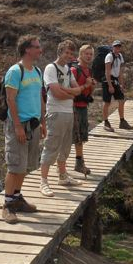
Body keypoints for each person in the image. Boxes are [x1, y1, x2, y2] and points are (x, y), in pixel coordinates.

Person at [2, 35, 46, 224]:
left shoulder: (37, 71)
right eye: (37, 46)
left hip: (34, 124)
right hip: (18, 125)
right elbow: (10, 99)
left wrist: (43, 122)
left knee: (24, 165)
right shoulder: (15, 71)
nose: (40, 50)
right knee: (15, 166)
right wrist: (18, 126)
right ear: (27, 49)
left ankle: (17, 199)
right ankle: (7, 205)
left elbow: (40, 98)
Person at [40, 40, 92, 197]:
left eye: (71, 53)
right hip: (55, 112)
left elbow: (77, 92)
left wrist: (68, 90)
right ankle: (44, 181)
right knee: (51, 146)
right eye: (66, 52)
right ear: (59, 52)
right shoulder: (51, 68)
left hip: (69, 112)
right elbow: (56, 93)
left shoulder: (68, 69)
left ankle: (62, 176)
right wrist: (71, 91)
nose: (69, 56)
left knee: (65, 146)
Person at [71, 44, 96, 176]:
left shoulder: (89, 71)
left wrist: (91, 87)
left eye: (91, 54)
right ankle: (64, 165)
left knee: (81, 135)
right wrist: (86, 85)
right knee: (73, 136)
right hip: (73, 107)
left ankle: (79, 163)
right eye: (86, 53)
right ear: (80, 55)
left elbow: (89, 93)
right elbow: (70, 91)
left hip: (83, 106)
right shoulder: (74, 70)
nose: (88, 56)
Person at [102, 40, 133, 132]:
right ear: (113, 47)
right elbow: (107, 71)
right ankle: (106, 122)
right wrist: (109, 85)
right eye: (116, 46)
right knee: (107, 102)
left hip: (115, 80)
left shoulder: (120, 56)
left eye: (119, 46)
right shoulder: (109, 56)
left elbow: (120, 71)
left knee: (121, 100)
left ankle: (122, 121)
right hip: (107, 80)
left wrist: (121, 84)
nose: (117, 48)